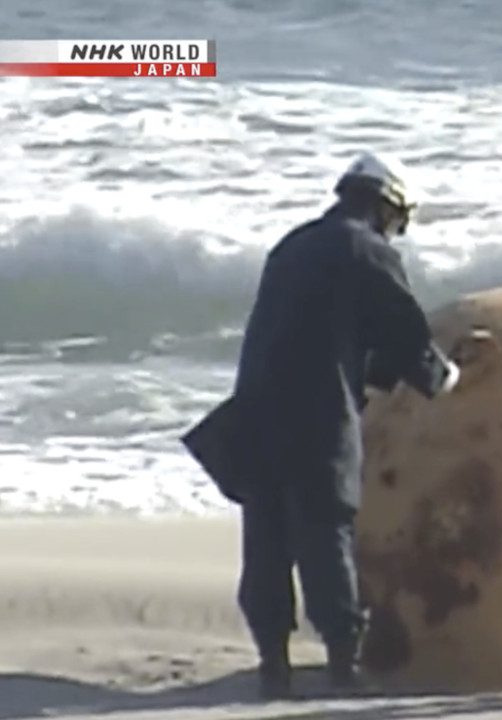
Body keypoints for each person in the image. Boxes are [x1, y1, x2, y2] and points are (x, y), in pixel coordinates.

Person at [183, 149, 460, 700]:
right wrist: (446, 376)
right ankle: (342, 665)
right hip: (317, 417)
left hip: (258, 411)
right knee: (325, 534)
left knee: (266, 538)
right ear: (386, 207)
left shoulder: (293, 245)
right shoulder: (367, 250)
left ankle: (273, 667)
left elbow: (340, 336)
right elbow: (403, 334)